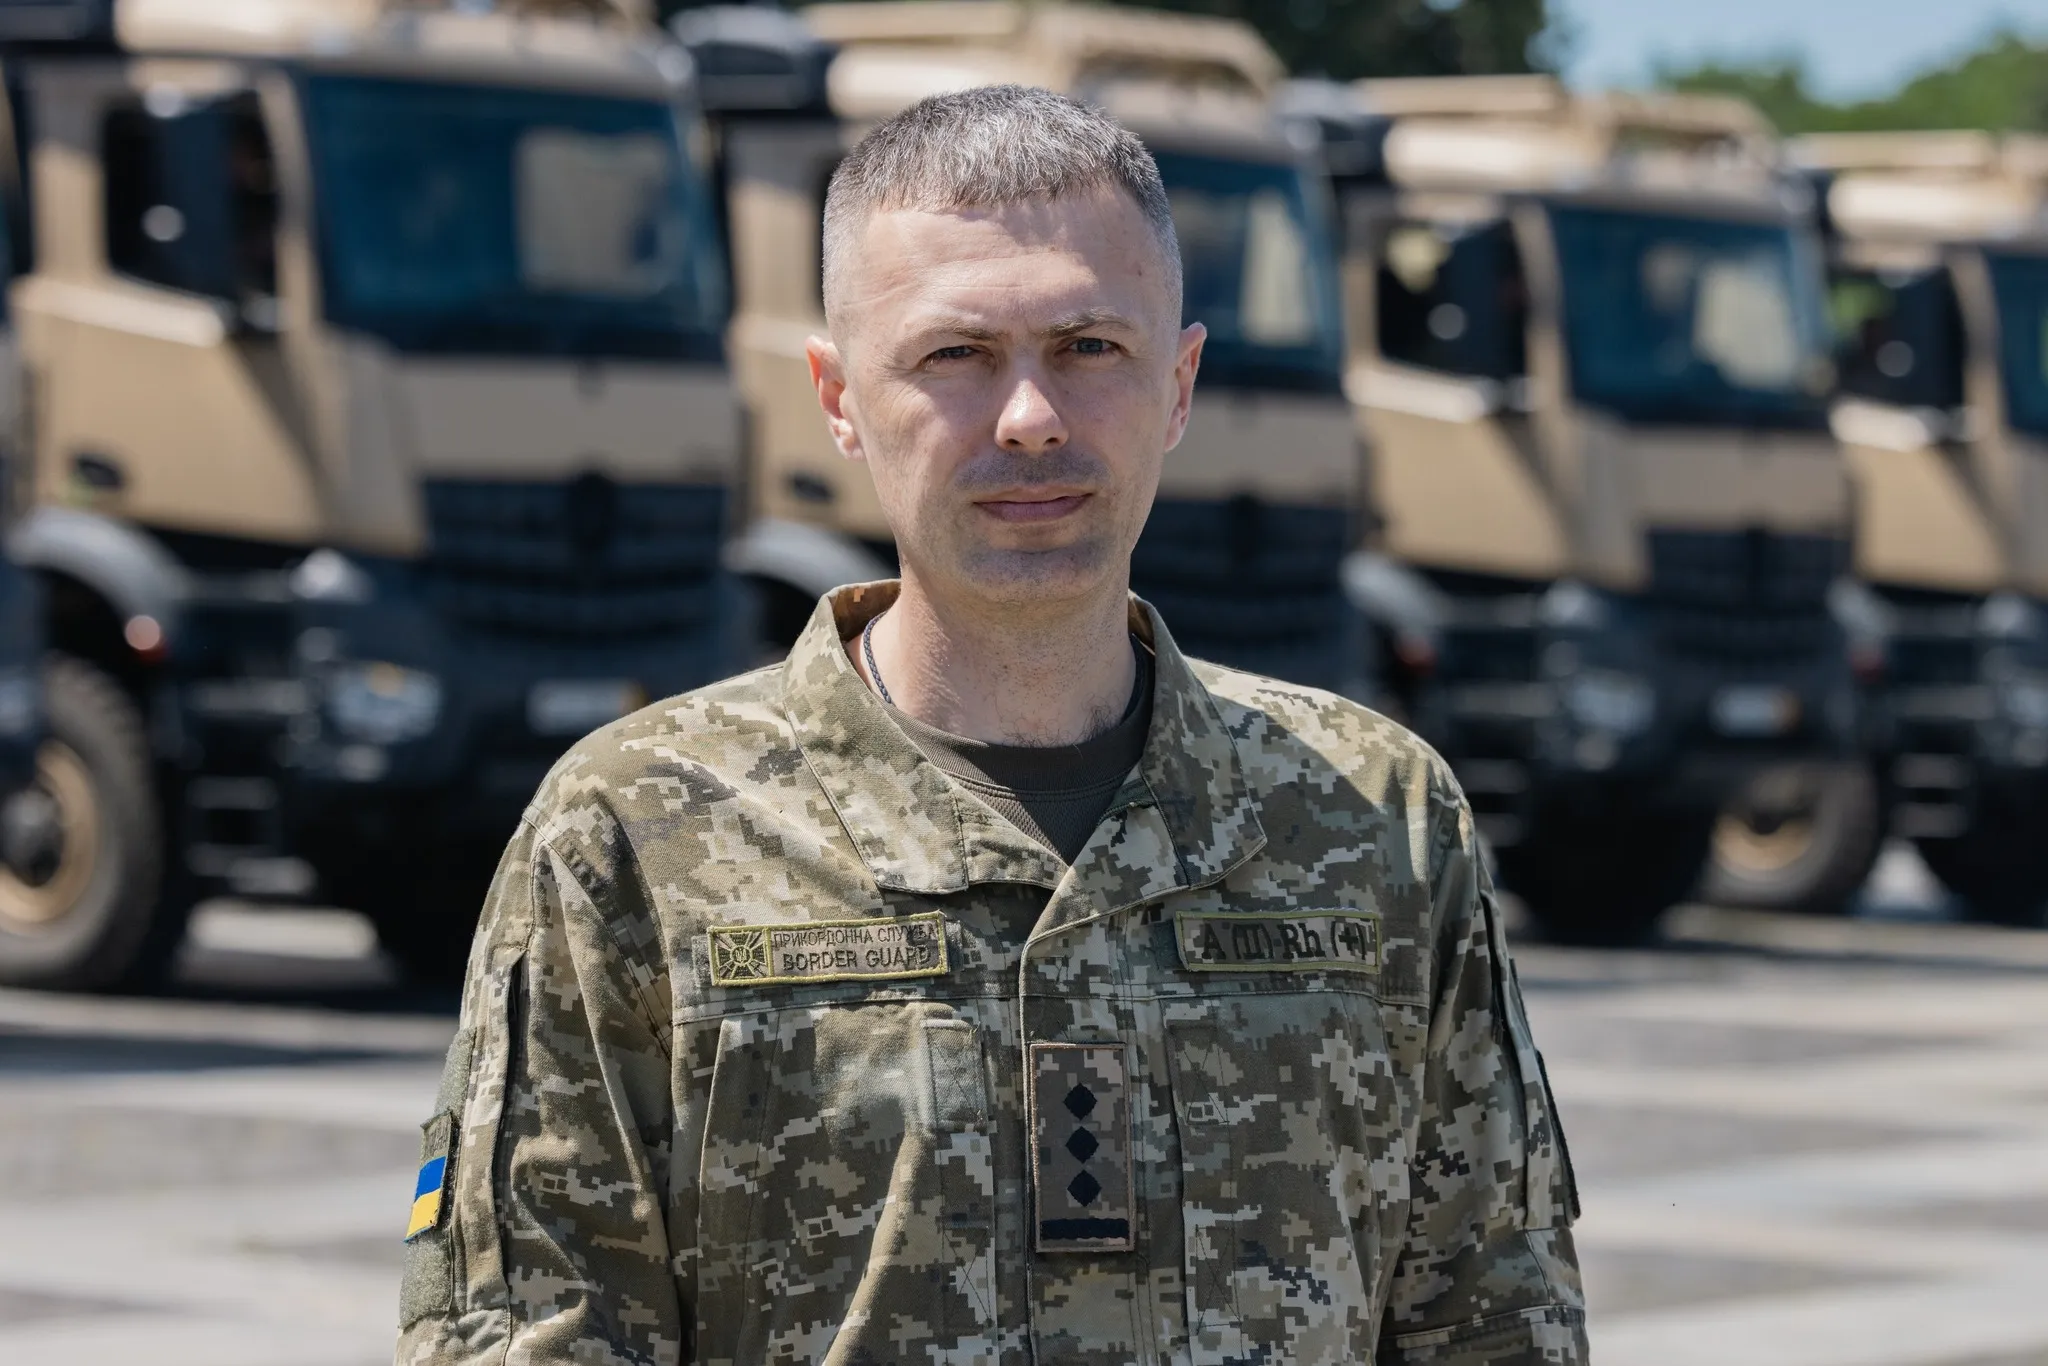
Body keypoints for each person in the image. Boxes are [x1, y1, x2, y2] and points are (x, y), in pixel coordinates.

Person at [395, 84, 1586, 1366]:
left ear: (1177, 384)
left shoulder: (1376, 817)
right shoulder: (634, 832)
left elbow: (1494, 1317)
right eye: (954, 355)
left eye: (1090, 346)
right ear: (837, 396)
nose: (1030, 417)